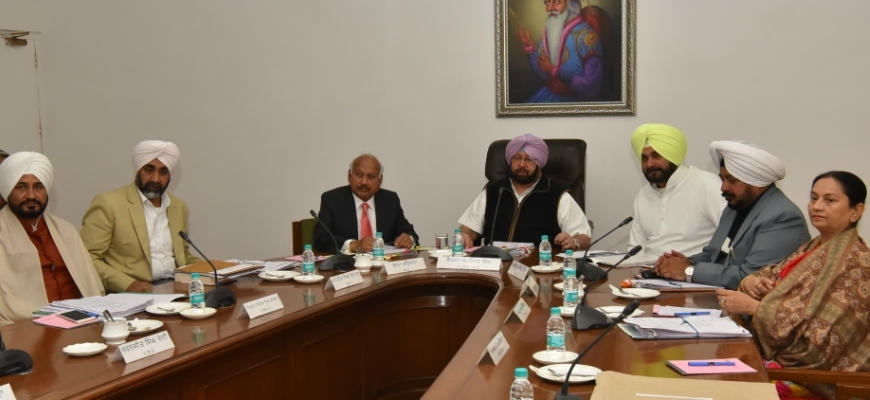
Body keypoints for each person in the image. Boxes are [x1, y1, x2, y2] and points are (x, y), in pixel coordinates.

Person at [717, 171, 869, 399]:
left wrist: (755, 308)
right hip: (778, 359)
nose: (817, 206)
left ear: (856, 211)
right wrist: (752, 282)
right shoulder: (813, 246)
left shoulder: (858, 263)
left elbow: (822, 344)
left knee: (723, 383)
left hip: (815, 378)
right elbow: (769, 274)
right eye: (813, 198)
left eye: (829, 200)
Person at [655, 140, 810, 289]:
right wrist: (686, 262)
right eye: (722, 179)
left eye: (732, 180)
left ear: (755, 180)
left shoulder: (783, 217)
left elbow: (751, 277)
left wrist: (689, 271)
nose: (723, 188)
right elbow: (712, 254)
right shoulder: (734, 208)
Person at [80, 141, 200, 293]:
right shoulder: (109, 204)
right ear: (138, 169)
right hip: (131, 293)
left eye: (163, 172)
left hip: (175, 287)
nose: (155, 179)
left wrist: (216, 270)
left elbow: (182, 255)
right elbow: (86, 257)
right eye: (149, 170)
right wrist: (128, 284)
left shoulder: (178, 206)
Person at [0, 152, 104, 326]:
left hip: (81, 322)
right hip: (25, 328)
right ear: (7, 191)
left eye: (38, 187)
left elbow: (91, 285)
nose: (31, 195)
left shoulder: (66, 230)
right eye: (21, 187)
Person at [459, 134, 592, 250]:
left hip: (539, 266)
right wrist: (465, 236)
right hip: (495, 263)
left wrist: (574, 242)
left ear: (540, 163)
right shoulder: (493, 191)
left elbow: (583, 237)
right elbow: (469, 228)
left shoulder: (558, 195)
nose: (522, 164)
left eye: (529, 159)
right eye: (517, 158)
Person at [629, 124, 726, 258]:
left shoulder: (706, 184)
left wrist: (694, 266)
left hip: (694, 268)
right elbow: (635, 249)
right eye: (644, 158)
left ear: (672, 155)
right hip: (647, 269)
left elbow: (731, 239)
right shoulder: (643, 195)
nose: (650, 164)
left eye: (656, 155)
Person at [314, 154, 419, 253]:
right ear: (349, 175)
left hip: (383, 263)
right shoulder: (332, 200)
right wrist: (353, 245)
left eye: (371, 177)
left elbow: (407, 231)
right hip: (347, 264)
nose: (364, 182)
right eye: (359, 174)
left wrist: (409, 239)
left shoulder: (390, 200)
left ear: (380, 180)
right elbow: (321, 239)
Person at [517, 0, 602, 102]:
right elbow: (544, 72)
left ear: (571, 5)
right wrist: (529, 46)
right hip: (548, 95)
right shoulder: (551, 32)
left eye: (557, 2)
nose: (550, 8)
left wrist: (555, 71)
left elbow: (592, 87)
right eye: (547, 3)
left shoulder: (586, 37)